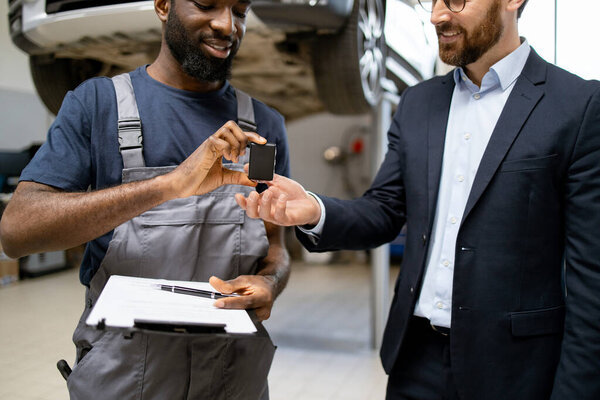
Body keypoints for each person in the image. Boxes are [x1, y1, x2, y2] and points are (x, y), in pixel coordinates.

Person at [235, 0, 600, 399]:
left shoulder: (577, 106)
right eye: (432, 0)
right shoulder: (419, 102)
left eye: (456, 1)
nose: (437, 15)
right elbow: (385, 210)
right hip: (415, 363)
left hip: (515, 370)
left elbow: (591, 280)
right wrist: (315, 210)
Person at [0, 0, 291, 399]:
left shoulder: (263, 128)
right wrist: (169, 185)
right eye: (207, 4)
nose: (227, 25)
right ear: (163, 5)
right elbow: (17, 233)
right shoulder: (96, 105)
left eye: (239, 11)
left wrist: (270, 282)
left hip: (233, 376)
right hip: (123, 377)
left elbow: (276, 243)